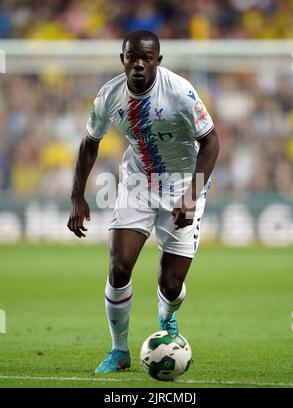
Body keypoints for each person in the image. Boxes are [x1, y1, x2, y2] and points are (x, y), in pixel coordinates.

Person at [67, 30, 219, 373]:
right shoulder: (109, 95)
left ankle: (168, 318)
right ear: (122, 59)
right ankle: (118, 351)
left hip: (183, 186)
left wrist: (192, 194)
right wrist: (77, 195)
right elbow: (90, 143)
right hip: (139, 181)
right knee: (119, 267)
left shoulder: (180, 92)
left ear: (158, 61)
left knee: (171, 284)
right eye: (131, 57)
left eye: (146, 58)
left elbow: (211, 142)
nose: (138, 64)